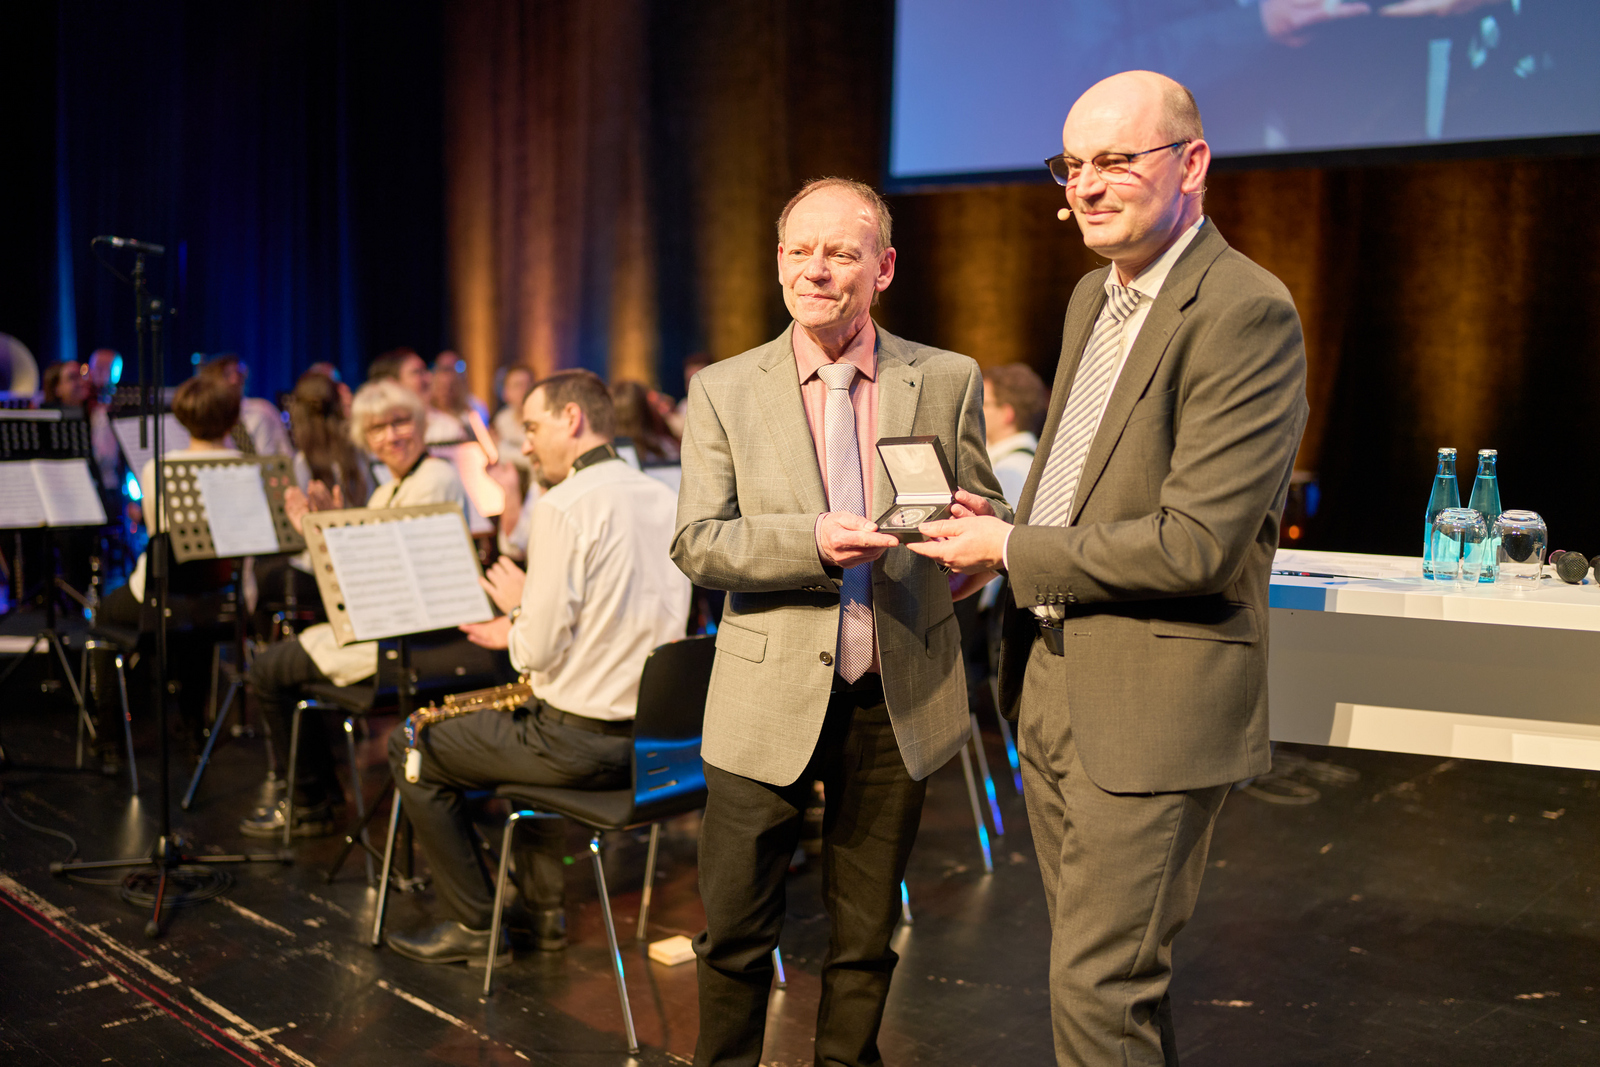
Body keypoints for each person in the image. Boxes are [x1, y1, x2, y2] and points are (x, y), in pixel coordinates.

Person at [908, 72, 1309, 1065]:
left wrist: (1011, 548)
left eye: (1113, 161)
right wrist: (998, 531)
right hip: (1047, 680)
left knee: (1097, 986)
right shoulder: (1095, 295)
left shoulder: (1244, 310)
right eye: (1071, 164)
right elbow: (1085, 491)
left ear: (1192, 162)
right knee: (1108, 982)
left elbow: (1194, 544)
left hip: (1150, 705)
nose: (1083, 185)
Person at [671, 177, 1008, 1067]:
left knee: (864, 937)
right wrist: (813, 541)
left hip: (893, 692)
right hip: (764, 699)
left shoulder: (945, 378)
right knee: (737, 936)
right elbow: (699, 544)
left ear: (884, 267)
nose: (814, 270)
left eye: (840, 252)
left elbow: (986, 519)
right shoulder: (725, 390)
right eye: (797, 250)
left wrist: (973, 540)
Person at [382, 369, 691, 965]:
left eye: (531, 427)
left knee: (410, 739)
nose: (523, 444)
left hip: (579, 749)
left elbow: (538, 652)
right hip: (657, 746)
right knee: (529, 713)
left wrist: (518, 615)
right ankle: (540, 913)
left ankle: (476, 925)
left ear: (571, 420)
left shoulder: (563, 505)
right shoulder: (662, 494)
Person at [238, 378, 498, 838]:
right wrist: (327, 529)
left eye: (400, 422)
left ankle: (311, 800)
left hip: (411, 638)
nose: (391, 435)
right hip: (384, 627)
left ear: (419, 424)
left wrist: (319, 533)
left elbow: (383, 582)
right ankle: (315, 794)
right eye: (378, 428)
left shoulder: (435, 477)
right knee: (275, 665)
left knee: (269, 671)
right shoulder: (388, 489)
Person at [199, 354, 291, 457]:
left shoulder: (263, 409)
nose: (234, 380)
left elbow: (286, 451)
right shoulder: (207, 416)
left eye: (239, 374)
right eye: (227, 374)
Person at [367, 347, 463, 445]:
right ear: (392, 383)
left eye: (426, 370)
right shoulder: (376, 431)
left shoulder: (447, 427)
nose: (429, 378)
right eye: (417, 372)